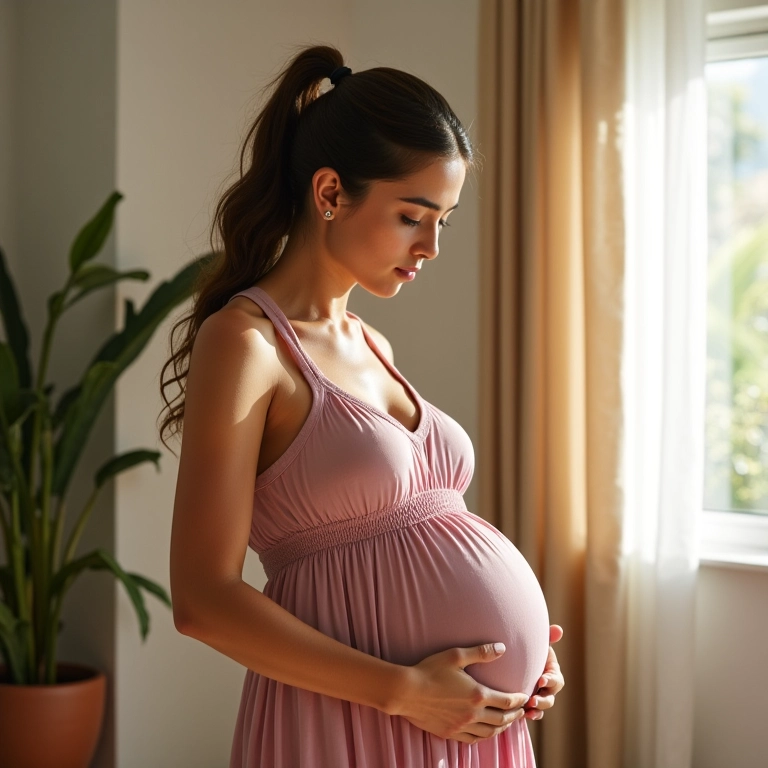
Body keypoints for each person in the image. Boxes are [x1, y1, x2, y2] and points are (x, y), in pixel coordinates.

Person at [161, 43, 565, 767]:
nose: (432, 245)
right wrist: (403, 691)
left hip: (461, 724)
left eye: (445, 218)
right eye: (413, 215)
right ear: (330, 193)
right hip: (355, 720)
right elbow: (202, 598)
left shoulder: (371, 342)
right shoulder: (246, 345)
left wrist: (523, 659)